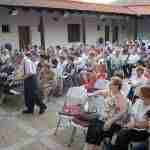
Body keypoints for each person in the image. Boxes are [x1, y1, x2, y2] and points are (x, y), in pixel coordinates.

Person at [86, 77, 128, 150]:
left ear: (117, 86)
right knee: (93, 124)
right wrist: (91, 94)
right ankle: (91, 147)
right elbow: (100, 92)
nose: (109, 85)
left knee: (98, 129)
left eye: (111, 84)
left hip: (114, 122)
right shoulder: (110, 92)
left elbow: (123, 112)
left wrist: (110, 121)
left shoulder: (121, 97)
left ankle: (93, 147)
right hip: (104, 118)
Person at [112, 86, 150, 150]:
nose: (139, 96)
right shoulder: (139, 101)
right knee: (119, 134)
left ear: (145, 96)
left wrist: (134, 124)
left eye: (140, 95)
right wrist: (132, 122)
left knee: (123, 135)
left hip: (143, 131)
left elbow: (146, 124)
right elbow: (132, 114)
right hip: (132, 127)